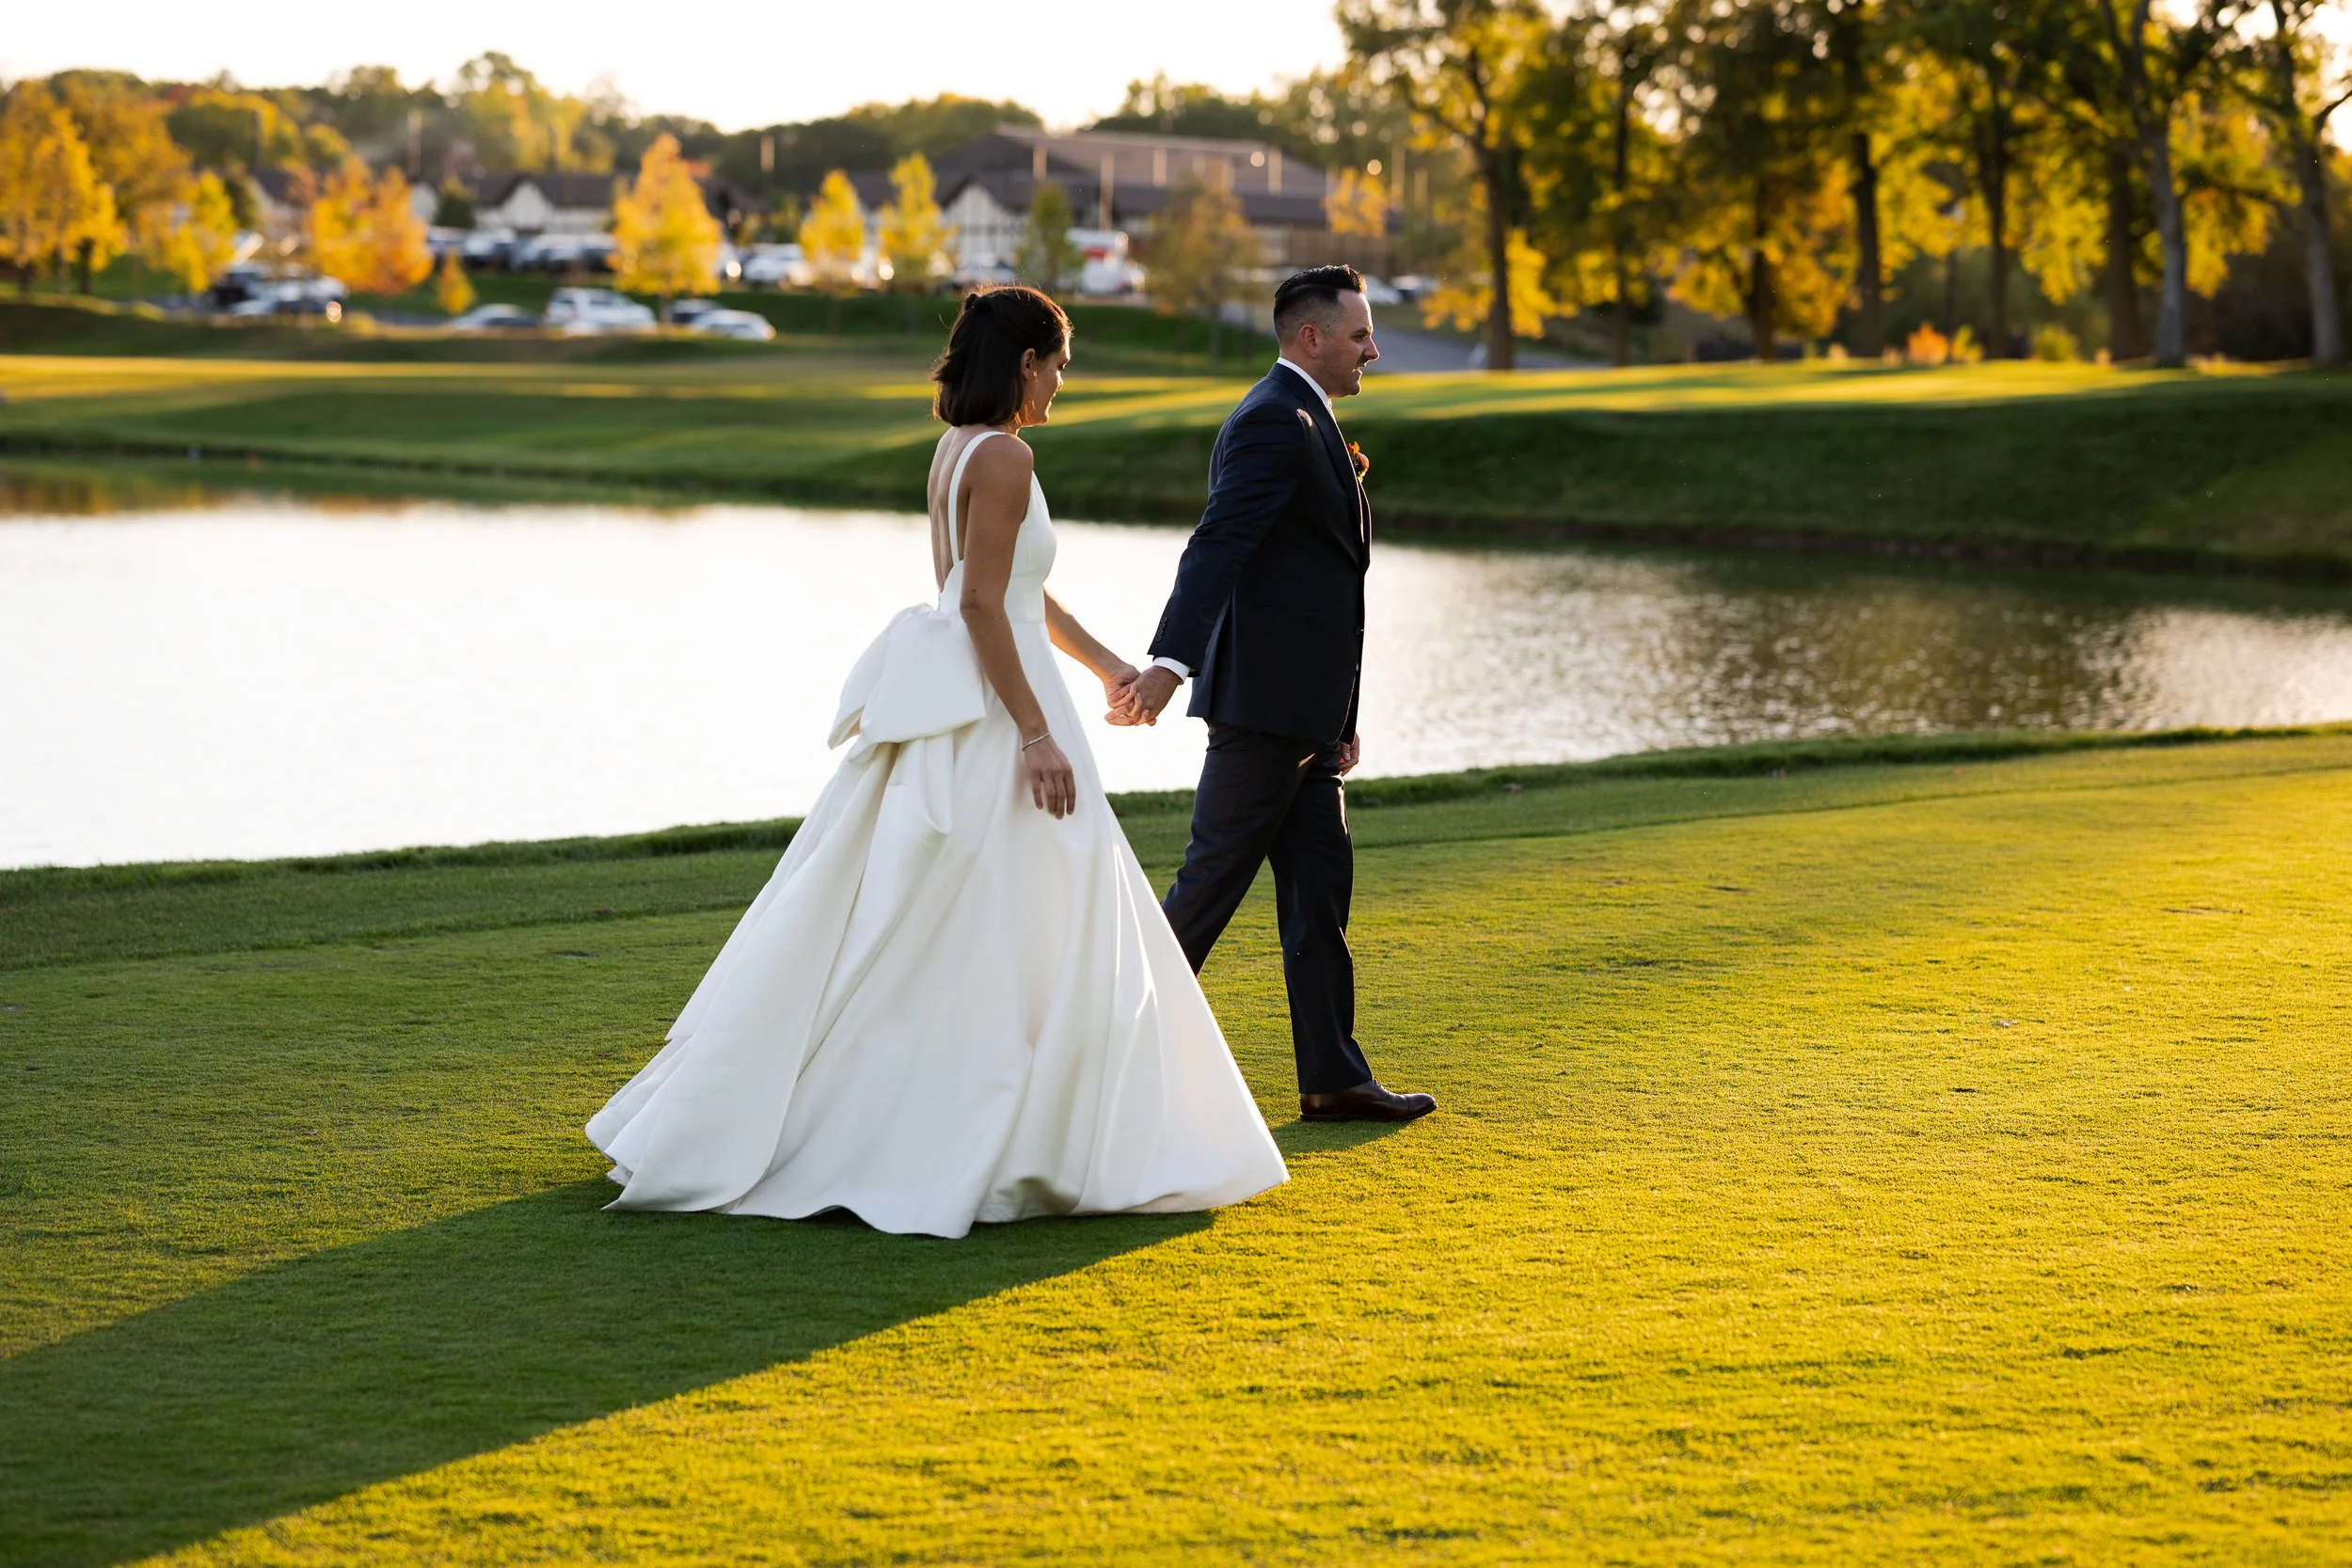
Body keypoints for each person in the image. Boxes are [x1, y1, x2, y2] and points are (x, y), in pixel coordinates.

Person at [586, 286, 1287, 1239]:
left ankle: (992, 1121)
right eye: (1058, 365)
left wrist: (1110, 666)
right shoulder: (1003, 455)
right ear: (1026, 362)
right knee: (1021, 907)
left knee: (968, 908)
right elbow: (983, 605)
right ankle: (988, 1135)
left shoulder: (958, 446)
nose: (1062, 382)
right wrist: (1035, 733)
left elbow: (1014, 593)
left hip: (984, 691)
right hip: (999, 710)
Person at [1115, 265, 1436, 1124]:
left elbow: (1328, 589)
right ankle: (1098, 1055)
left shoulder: (1308, 416)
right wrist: (1168, 663)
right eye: (1361, 335)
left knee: (1319, 899)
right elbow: (1217, 547)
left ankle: (1333, 1079)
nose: (1373, 350)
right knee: (1207, 888)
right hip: (1262, 712)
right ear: (1312, 337)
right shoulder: (1272, 419)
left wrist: (1342, 719)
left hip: (1309, 717)